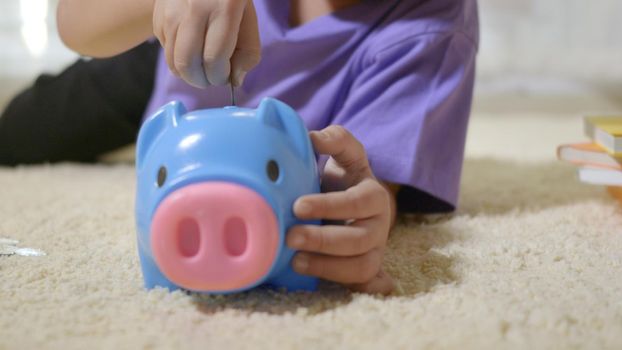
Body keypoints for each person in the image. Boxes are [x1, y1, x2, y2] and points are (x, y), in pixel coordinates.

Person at [0, 0, 479, 295]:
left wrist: (363, 215)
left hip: (280, 145)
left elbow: (363, 182)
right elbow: (75, 21)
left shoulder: (429, 31)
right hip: (173, 56)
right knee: (18, 132)